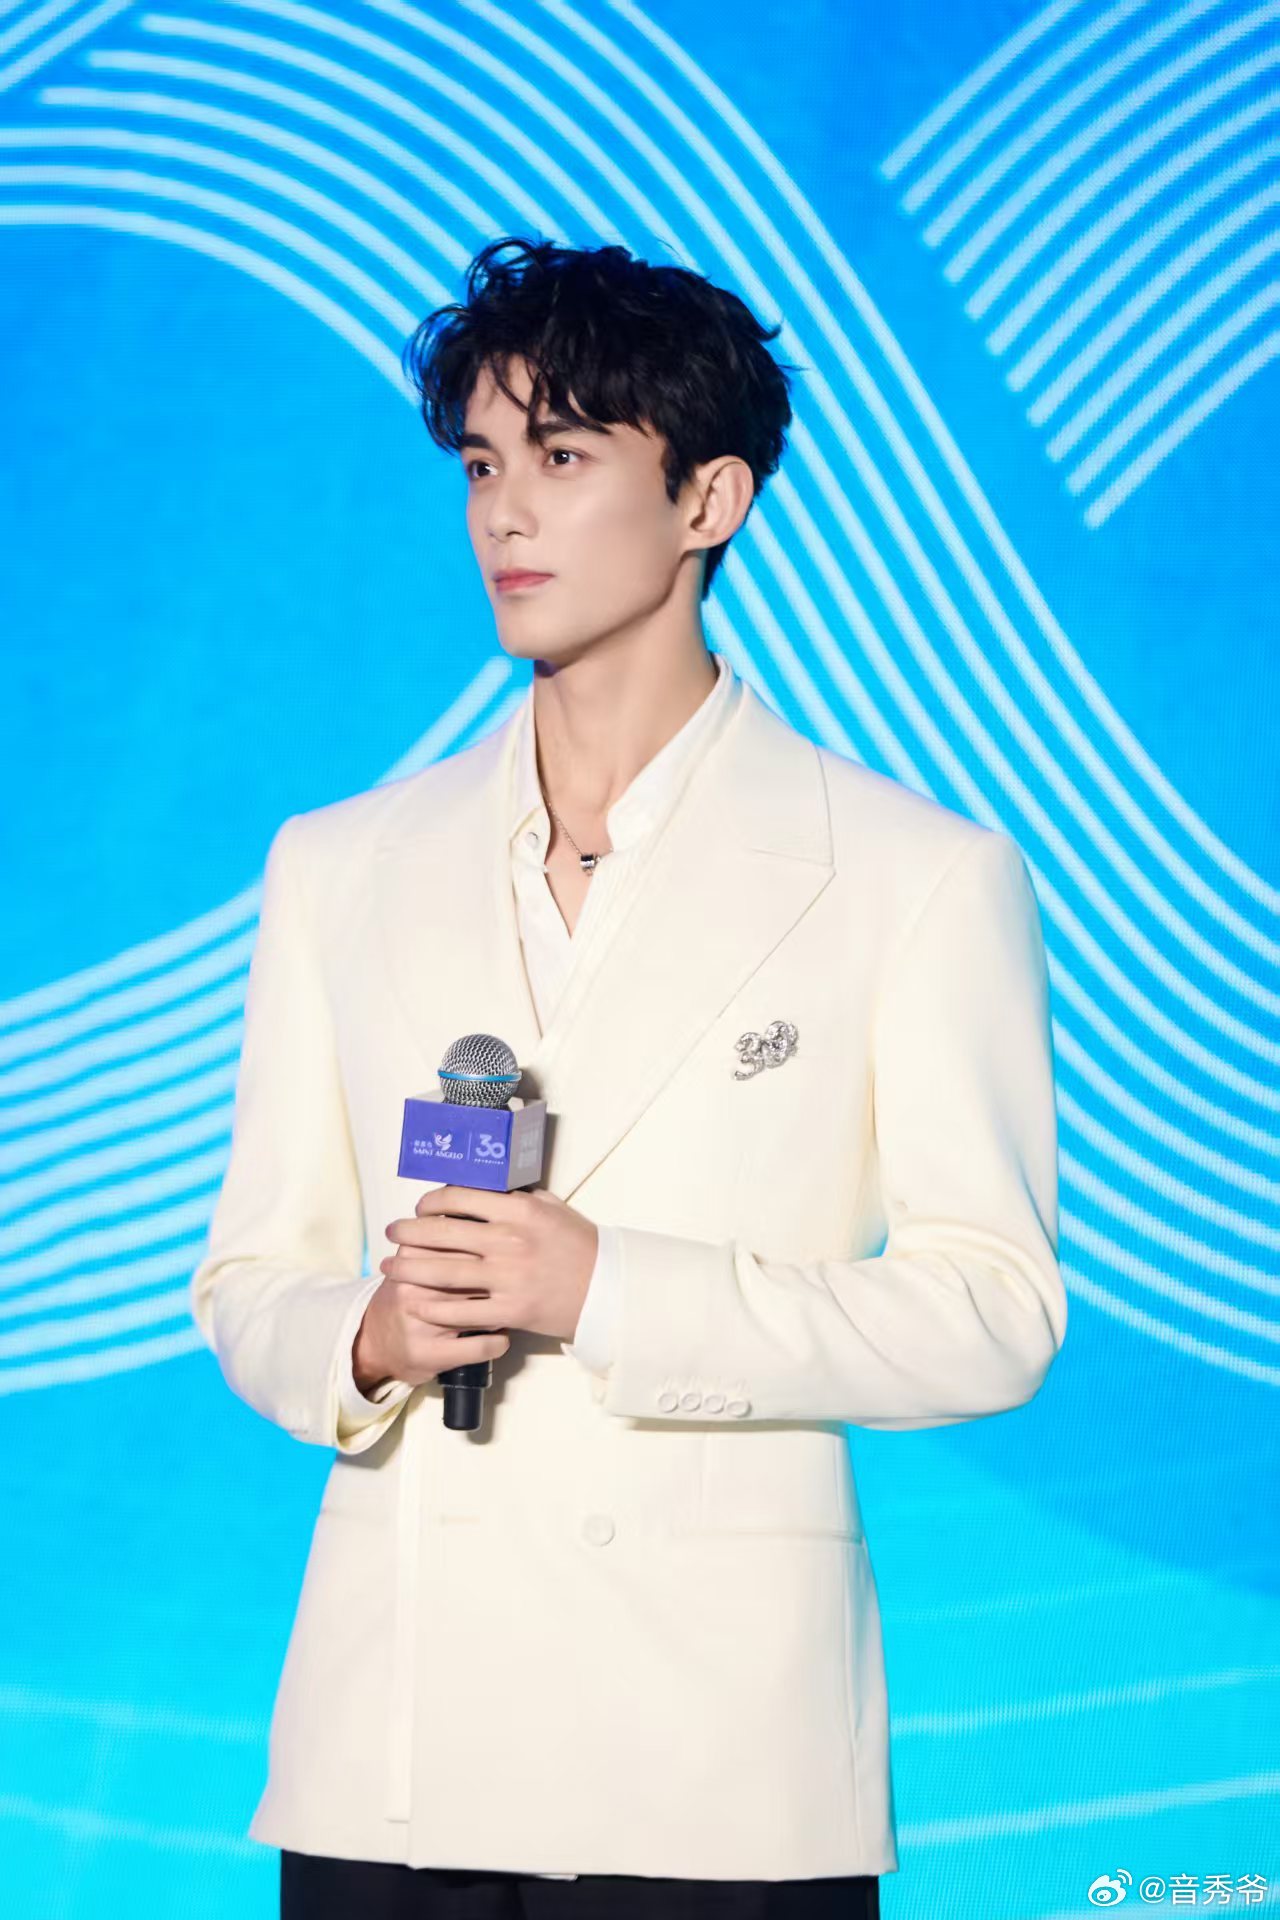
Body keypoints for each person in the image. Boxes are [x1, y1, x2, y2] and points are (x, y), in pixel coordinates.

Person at [190, 235, 1066, 1920]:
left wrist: (606, 1288)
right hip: (395, 1749)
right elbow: (250, 1277)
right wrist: (369, 1339)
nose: (505, 515)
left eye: (565, 456)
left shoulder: (913, 874)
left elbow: (994, 1311)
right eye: (482, 466)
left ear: (708, 500)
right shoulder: (340, 863)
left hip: (717, 1761)